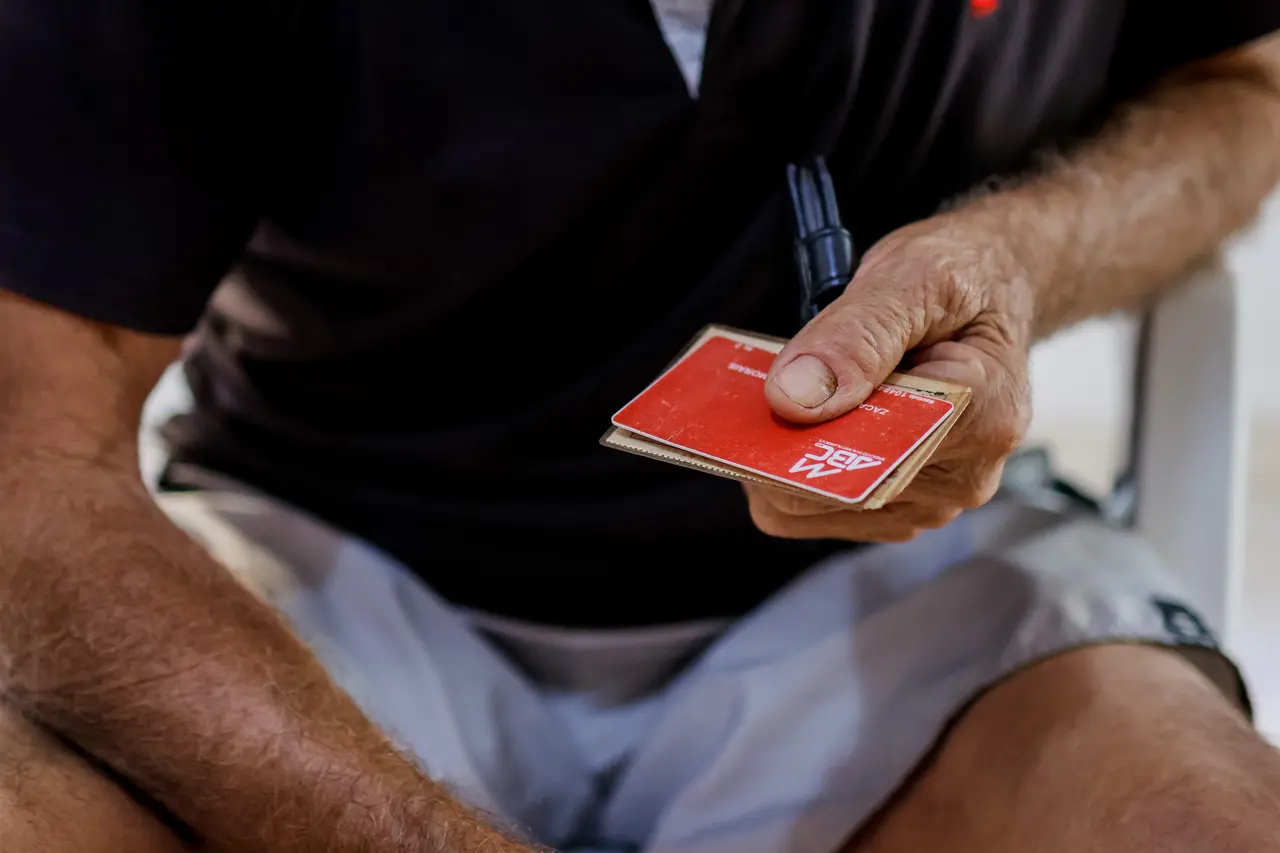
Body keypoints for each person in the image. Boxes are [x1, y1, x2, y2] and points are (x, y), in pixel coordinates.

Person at [2, 2, 1280, 851]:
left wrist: (1020, 256)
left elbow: (1241, 88)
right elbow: (27, 458)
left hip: (907, 589)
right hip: (327, 574)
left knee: (1199, 820)